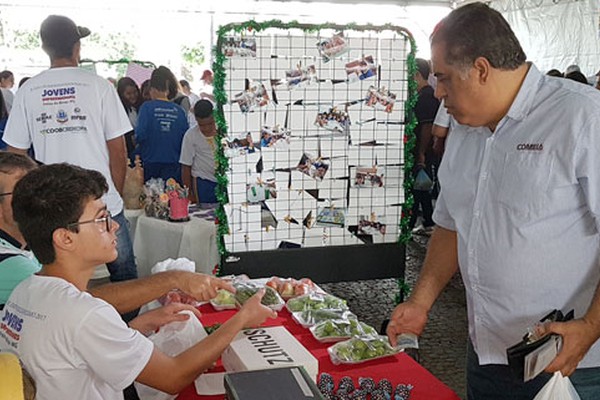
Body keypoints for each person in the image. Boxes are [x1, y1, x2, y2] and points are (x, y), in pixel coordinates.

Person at [386, 3, 600, 399]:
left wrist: (590, 328)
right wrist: (420, 301)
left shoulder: (582, 118)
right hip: (487, 354)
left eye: (444, 78)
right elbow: (451, 224)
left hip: (570, 362)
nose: (437, 91)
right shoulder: (468, 127)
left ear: (481, 69)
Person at [0, 163, 277, 400]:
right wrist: (241, 320)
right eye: (101, 219)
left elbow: (67, 350)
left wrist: (137, 326)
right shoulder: (84, 314)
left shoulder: (27, 290)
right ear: (65, 238)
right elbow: (173, 376)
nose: (115, 226)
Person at [3, 16, 139, 297]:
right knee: (124, 273)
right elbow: (118, 149)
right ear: (77, 47)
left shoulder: (29, 90)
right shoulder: (100, 86)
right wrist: (111, 192)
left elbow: (14, 157)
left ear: (44, 48)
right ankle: (127, 331)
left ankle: (70, 330)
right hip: (102, 204)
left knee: (58, 282)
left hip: (51, 206)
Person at [136, 66, 189, 183]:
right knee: (172, 197)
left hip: (150, 164)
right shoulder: (179, 111)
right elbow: (185, 138)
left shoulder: (146, 108)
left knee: (152, 198)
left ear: (151, 88)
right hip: (174, 164)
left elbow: (140, 134)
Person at [0, 153, 39, 307]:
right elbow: (71, 305)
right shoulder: (10, 265)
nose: (39, 197)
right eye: (23, 192)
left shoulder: (27, 239)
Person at [409, 58, 439, 235]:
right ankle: (427, 222)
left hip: (423, 152)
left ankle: (417, 222)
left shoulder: (426, 97)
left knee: (419, 186)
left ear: (417, 74)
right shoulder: (423, 95)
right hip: (423, 152)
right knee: (422, 187)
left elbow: (427, 127)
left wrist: (420, 153)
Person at [180, 100, 218, 207]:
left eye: (210, 124)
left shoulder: (225, 131)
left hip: (225, 183)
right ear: (196, 119)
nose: (206, 128)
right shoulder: (190, 136)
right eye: (202, 125)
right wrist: (188, 192)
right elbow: (186, 166)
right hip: (203, 183)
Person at [117, 77, 141, 161]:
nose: (133, 96)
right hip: (127, 149)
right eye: (128, 93)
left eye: (135, 92)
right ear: (121, 94)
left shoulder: (142, 106)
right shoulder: (118, 110)